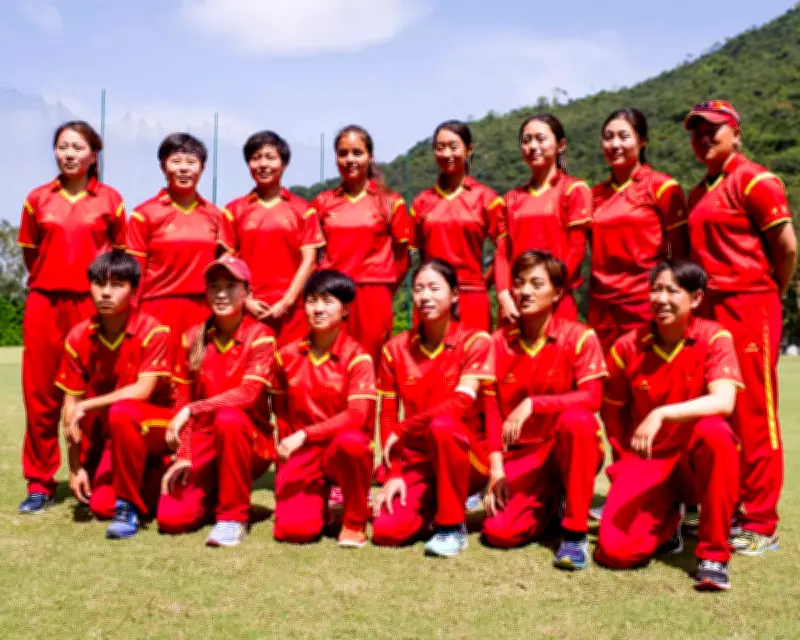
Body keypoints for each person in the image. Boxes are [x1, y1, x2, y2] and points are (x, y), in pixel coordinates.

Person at [685, 100, 798, 555]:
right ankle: (726, 507)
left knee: (753, 413)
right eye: (696, 131)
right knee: (718, 413)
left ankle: (761, 522)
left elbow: (786, 248)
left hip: (750, 305)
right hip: (709, 311)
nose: (704, 137)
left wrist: (772, 291)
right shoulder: (697, 193)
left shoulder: (756, 180)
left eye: (713, 129)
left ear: (735, 132)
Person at [595, 260, 742, 592]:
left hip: (693, 462)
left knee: (716, 433)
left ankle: (713, 556)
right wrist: (624, 465)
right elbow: (613, 416)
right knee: (615, 552)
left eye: (672, 291)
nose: (660, 299)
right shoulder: (627, 347)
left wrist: (662, 413)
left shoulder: (714, 337)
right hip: (649, 462)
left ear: (696, 297)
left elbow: (724, 401)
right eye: (655, 290)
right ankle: (669, 522)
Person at [17, 120, 127, 514]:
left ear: (93, 155)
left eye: (78, 147)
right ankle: (40, 482)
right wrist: (50, 280)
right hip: (45, 304)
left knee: (92, 393)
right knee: (41, 395)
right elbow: (31, 254)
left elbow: (121, 258)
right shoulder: (37, 198)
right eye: (63, 146)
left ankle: (94, 475)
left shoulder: (110, 200)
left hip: (92, 306)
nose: (69, 154)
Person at [482, 250, 607, 570]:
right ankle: (552, 502)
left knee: (577, 421)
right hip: (522, 455)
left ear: (558, 292)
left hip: (568, 447)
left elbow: (592, 398)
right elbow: (492, 410)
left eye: (537, 284)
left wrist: (534, 404)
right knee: (499, 533)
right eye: (519, 283)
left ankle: (575, 533)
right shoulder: (496, 343)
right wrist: (496, 469)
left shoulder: (580, 337)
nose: (525, 291)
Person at [372, 259, 495, 557]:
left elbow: (461, 403)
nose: (425, 296)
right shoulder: (395, 349)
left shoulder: (476, 341)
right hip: (418, 458)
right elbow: (387, 415)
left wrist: (405, 427)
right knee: (387, 531)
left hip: (465, 454)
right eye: (418, 289)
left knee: (442, 426)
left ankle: (452, 527)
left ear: (454, 295)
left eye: (434, 288)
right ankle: (436, 508)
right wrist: (394, 473)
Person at [156, 254, 277, 547]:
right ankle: (219, 497)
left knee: (229, 418)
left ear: (247, 292)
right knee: (172, 519)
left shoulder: (261, 336)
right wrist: (184, 454)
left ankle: (233, 518)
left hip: (249, 440)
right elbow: (181, 396)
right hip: (205, 440)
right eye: (214, 286)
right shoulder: (192, 337)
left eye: (230, 286)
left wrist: (192, 409)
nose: (221, 294)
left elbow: (247, 395)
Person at [55, 251, 172, 528]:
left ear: (134, 290)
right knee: (101, 505)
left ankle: (134, 501)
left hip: (158, 431)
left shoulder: (154, 331)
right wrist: (75, 469)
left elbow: (142, 391)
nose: (106, 293)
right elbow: (70, 410)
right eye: (99, 284)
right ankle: (145, 485)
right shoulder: (78, 336)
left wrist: (86, 405)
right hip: (117, 437)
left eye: (117, 285)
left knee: (123, 411)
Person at [271, 270, 377, 548]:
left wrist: (304, 434)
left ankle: (354, 521)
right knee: (293, 531)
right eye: (311, 301)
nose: (318, 309)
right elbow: (281, 413)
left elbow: (357, 416)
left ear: (345, 310)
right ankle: (322, 509)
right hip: (302, 452)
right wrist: (284, 465)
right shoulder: (286, 356)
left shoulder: (358, 358)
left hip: (341, 450)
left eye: (328, 301)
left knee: (353, 444)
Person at [589, 108, 689, 352]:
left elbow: (681, 253)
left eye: (623, 136)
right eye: (608, 137)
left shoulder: (662, 187)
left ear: (642, 140)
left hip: (646, 304)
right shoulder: (593, 196)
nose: (615, 144)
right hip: (602, 310)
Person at [312, 125, 410, 364]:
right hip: (332, 295)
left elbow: (402, 258)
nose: (350, 159)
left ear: (370, 157)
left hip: (373, 296)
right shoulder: (323, 202)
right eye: (343, 153)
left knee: (371, 362)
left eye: (357, 153)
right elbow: (312, 256)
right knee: (331, 363)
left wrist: (384, 290)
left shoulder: (390, 201)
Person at [219, 130, 325, 346]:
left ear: (284, 163)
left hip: (293, 312)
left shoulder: (304, 210)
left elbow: (309, 261)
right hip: (248, 311)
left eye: (270, 157)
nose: (263, 164)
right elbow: (226, 263)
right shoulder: (233, 210)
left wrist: (286, 303)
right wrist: (246, 301)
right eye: (255, 158)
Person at [126, 133, 223, 350]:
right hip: (155, 310)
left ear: (202, 168)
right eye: (176, 161)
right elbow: (134, 274)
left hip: (203, 312)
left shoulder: (216, 216)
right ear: (163, 166)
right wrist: (132, 319)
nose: (183, 168)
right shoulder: (144, 215)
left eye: (191, 162)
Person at [495, 115, 592, 323]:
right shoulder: (510, 199)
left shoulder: (573, 190)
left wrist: (549, 289)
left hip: (557, 299)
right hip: (517, 302)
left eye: (540, 139)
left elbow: (576, 250)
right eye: (526, 140)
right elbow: (502, 253)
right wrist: (503, 295)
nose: (533, 146)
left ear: (560, 145)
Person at [411, 120, 506, 332]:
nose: (447, 154)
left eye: (453, 147)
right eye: (440, 147)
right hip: (431, 298)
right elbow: (420, 254)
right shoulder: (421, 202)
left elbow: (504, 249)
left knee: (474, 350)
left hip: (472, 296)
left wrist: (485, 282)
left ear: (469, 150)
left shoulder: (487, 198)